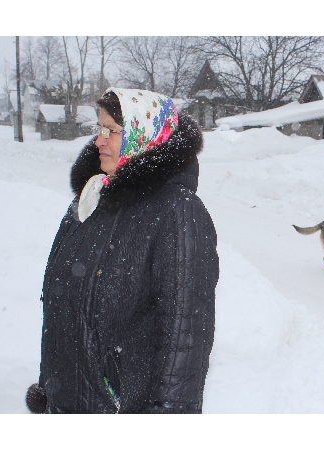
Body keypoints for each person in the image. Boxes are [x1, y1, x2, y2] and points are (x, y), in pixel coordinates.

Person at [25, 88, 219, 414]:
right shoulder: (91, 199)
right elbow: (63, 313)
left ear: (144, 134)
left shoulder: (177, 212)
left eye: (112, 131)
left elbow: (185, 337)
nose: (99, 140)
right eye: (99, 129)